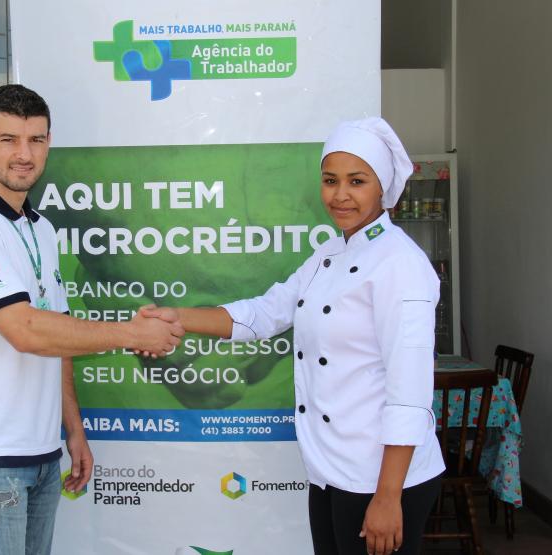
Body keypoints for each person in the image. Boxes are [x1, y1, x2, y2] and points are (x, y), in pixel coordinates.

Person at [142, 117, 444, 555]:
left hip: (379, 476)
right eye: (330, 180)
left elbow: (410, 395)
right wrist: (176, 317)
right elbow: (262, 314)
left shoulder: (401, 266)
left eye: (357, 181)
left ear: (382, 188)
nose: (340, 195)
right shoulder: (330, 253)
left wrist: (388, 496)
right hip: (330, 468)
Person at [0, 84, 184, 555]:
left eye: (37, 140)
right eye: (9, 140)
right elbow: (25, 330)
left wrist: (73, 431)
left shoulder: (38, 228)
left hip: (41, 455)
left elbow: (57, 332)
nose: (24, 154)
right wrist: (132, 334)